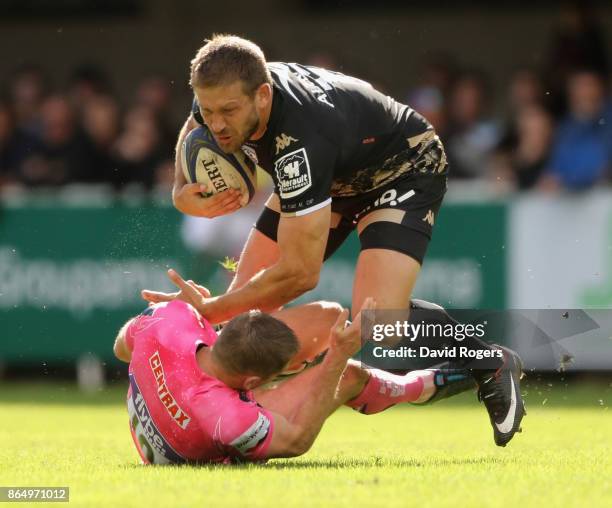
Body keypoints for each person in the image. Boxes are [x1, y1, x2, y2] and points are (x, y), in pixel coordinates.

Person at [142, 34, 525, 446]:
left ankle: (490, 363)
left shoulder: (300, 142)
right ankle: (241, 412)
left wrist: (213, 308)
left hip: (403, 167)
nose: (216, 125)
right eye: (210, 109)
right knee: (243, 318)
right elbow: (195, 122)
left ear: (263, 97)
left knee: (379, 323)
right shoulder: (230, 94)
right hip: (337, 171)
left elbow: (299, 275)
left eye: (229, 112)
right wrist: (181, 188)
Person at [114, 295, 476, 464]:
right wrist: (335, 358)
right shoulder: (228, 417)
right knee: (347, 375)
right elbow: (298, 440)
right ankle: (428, 383)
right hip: (193, 440)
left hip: (173, 418)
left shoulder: (171, 317)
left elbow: (121, 347)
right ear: (253, 383)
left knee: (328, 317)